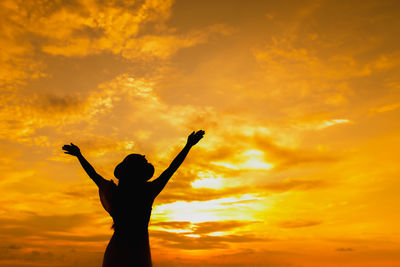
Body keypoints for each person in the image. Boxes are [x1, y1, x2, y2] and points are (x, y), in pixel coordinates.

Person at [62, 130, 205, 267]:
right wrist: (188, 146)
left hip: (118, 251)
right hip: (138, 252)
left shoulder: (115, 192)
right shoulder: (147, 192)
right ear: (141, 174)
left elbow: (93, 174)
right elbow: (171, 169)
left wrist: (79, 155)